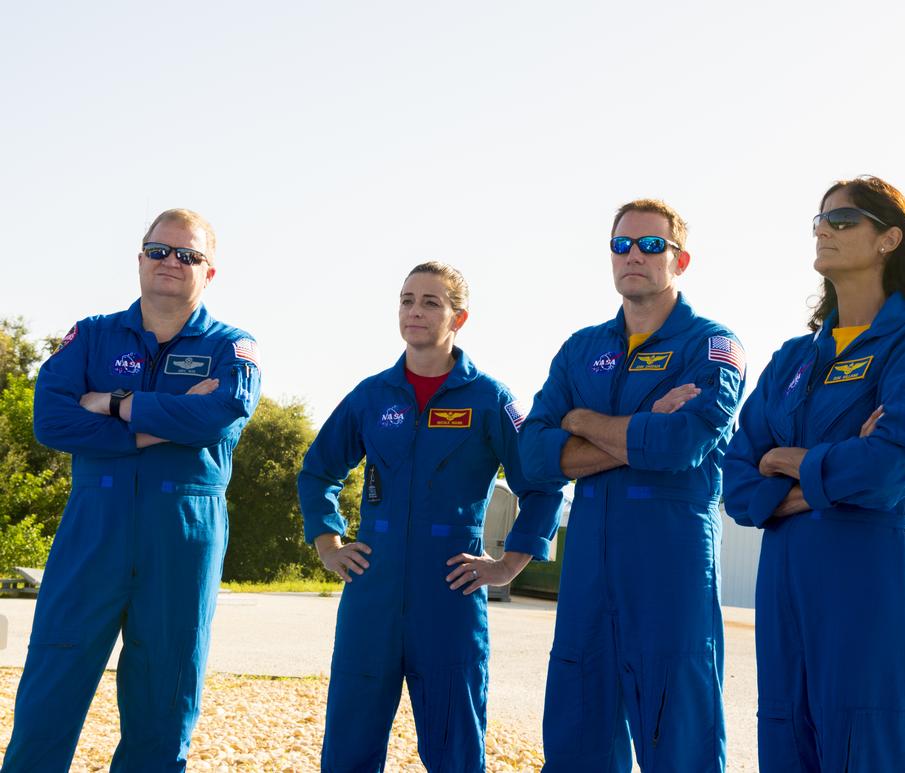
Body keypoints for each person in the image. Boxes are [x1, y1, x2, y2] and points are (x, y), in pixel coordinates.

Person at [3, 209, 261, 772]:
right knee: (53, 676)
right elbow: (51, 421)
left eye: (188, 255)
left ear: (210, 272)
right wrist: (160, 426)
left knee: (164, 690)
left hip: (184, 532)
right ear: (140, 258)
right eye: (159, 250)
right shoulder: (92, 335)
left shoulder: (232, 347)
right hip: (95, 525)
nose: (171, 262)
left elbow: (216, 418)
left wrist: (116, 404)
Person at [722, 176, 905, 772]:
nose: (825, 229)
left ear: (888, 239)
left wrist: (789, 462)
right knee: (785, 739)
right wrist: (830, 470)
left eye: (844, 220)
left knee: (870, 743)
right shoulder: (794, 358)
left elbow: (888, 467)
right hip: (786, 578)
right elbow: (739, 478)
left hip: (868, 575)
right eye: (820, 221)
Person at [297, 261, 563, 773]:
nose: (414, 311)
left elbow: (543, 484)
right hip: (371, 591)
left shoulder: (491, 400)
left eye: (430, 302)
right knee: (349, 744)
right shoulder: (371, 396)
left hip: (450, 593)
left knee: (454, 748)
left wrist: (508, 565)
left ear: (459, 318)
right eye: (406, 300)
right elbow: (317, 471)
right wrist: (328, 543)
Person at [518, 199, 746, 772]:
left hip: (670, 565)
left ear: (681, 260)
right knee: (576, 735)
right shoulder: (581, 349)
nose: (634, 256)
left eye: (650, 245)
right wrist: (637, 432)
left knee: (680, 740)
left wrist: (580, 421)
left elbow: (679, 445)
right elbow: (534, 455)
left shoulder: (712, 346)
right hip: (589, 568)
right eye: (621, 245)